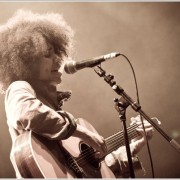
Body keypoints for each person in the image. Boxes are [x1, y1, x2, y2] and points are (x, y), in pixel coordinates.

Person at [0, 9, 154, 178]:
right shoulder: (20, 87)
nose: (59, 61)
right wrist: (82, 132)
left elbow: (96, 169)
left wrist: (132, 146)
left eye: (57, 53)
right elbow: (27, 113)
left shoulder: (55, 110)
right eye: (47, 55)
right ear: (27, 62)